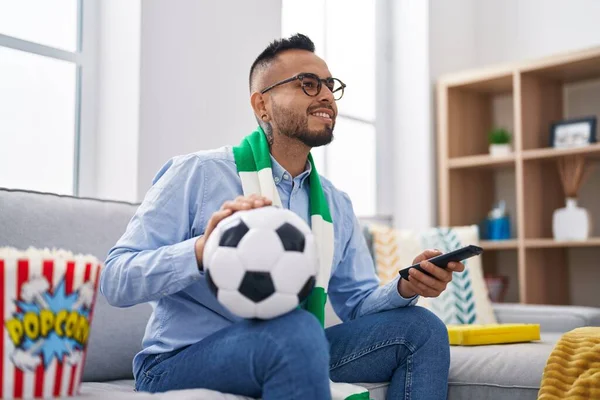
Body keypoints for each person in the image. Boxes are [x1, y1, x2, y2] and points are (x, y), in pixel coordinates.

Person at [100, 33, 464, 400]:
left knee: (423, 329)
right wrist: (200, 249)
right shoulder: (198, 173)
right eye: (308, 84)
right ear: (262, 105)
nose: (325, 95)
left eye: (329, 85)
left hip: (290, 343)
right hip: (180, 361)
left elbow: (356, 303)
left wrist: (407, 287)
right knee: (297, 331)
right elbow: (115, 279)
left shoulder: (337, 204)